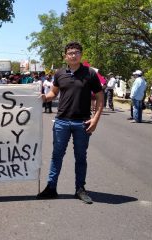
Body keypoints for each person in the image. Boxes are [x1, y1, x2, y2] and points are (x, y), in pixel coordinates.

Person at [38, 42, 104, 204]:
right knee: (56, 156)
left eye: (76, 52)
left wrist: (95, 119)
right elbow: (54, 92)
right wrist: (45, 98)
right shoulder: (59, 73)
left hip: (83, 122)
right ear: (65, 56)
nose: (73, 55)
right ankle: (51, 188)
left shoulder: (90, 73)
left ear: (81, 54)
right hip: (61, 121)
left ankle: (80, 189)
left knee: (81, 157)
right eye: (70, 53)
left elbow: (100, 97)